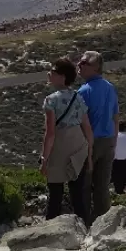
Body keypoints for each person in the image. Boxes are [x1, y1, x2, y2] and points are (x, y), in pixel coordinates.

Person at [41, 58, 93, 221]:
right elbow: (87, 128)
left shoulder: (50, 100)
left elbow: (50, 133)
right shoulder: (78, 97)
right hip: (78, 147)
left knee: (55, 194)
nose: (49, 74)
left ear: (62, 77)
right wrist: (89, 155)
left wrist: (44, 159)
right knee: (77, 195)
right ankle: (84, 229)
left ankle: (50, 231)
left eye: (53, 72)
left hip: (59, 149)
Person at [77, 49, 118, 222]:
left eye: (84, 63)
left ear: (95, 68)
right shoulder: (110, 87)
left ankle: (85, 222)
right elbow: (116, 117)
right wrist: (114, 143)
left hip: (90, 144)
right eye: (79, 61)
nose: (79, 64)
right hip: (108, 142)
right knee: (102, 186)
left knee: (84, 186)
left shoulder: (83, 91)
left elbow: (78, 123)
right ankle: (104, 222)